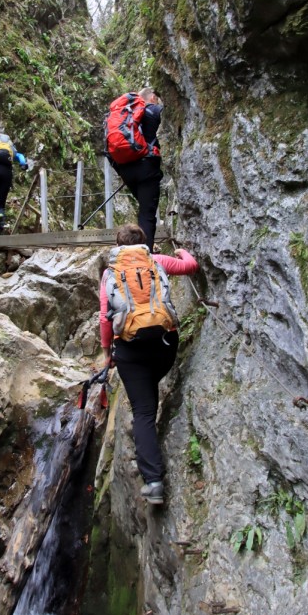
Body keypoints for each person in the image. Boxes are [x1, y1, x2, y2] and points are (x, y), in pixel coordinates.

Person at [99, 223, 199, 506]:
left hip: (130, 351)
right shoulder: (156, 261)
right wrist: (181, 250)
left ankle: (154, 482)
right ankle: (149, 398)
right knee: (149, 390)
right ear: (143, 242)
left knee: (143, 412)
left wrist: (107, 352)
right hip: (164, 345)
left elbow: (104, 317)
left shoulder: (110, 272)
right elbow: (190, 266)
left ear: (118, 245)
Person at [113, 87, 163, 252]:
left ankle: (132, 248)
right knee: (147, 214)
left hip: (126, 169)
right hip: (146, 168)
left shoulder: (122, 116)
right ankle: (143, 254)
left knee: (143, 208)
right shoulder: (152, 110)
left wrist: (121, 171)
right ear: (153, 97)